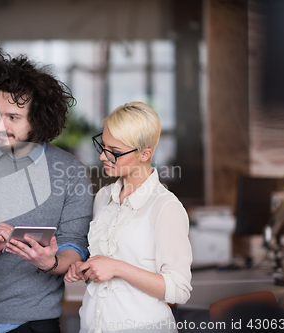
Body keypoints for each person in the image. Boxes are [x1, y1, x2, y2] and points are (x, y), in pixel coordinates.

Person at [0, 47, 92, 333]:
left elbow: (74, 245)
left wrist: (52, 262)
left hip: (35, 321)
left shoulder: (70, 172)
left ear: (38, 118)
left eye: (12, 117)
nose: (0, 126)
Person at [64, 102, 193, 333]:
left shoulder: (165, 206)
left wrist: (118, 268)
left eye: (114, 151)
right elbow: (106, 271)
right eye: (102, 146)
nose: (103, 155)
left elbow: (179, 289)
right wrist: (86, 269)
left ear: (146, 154)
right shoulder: (103, 196)